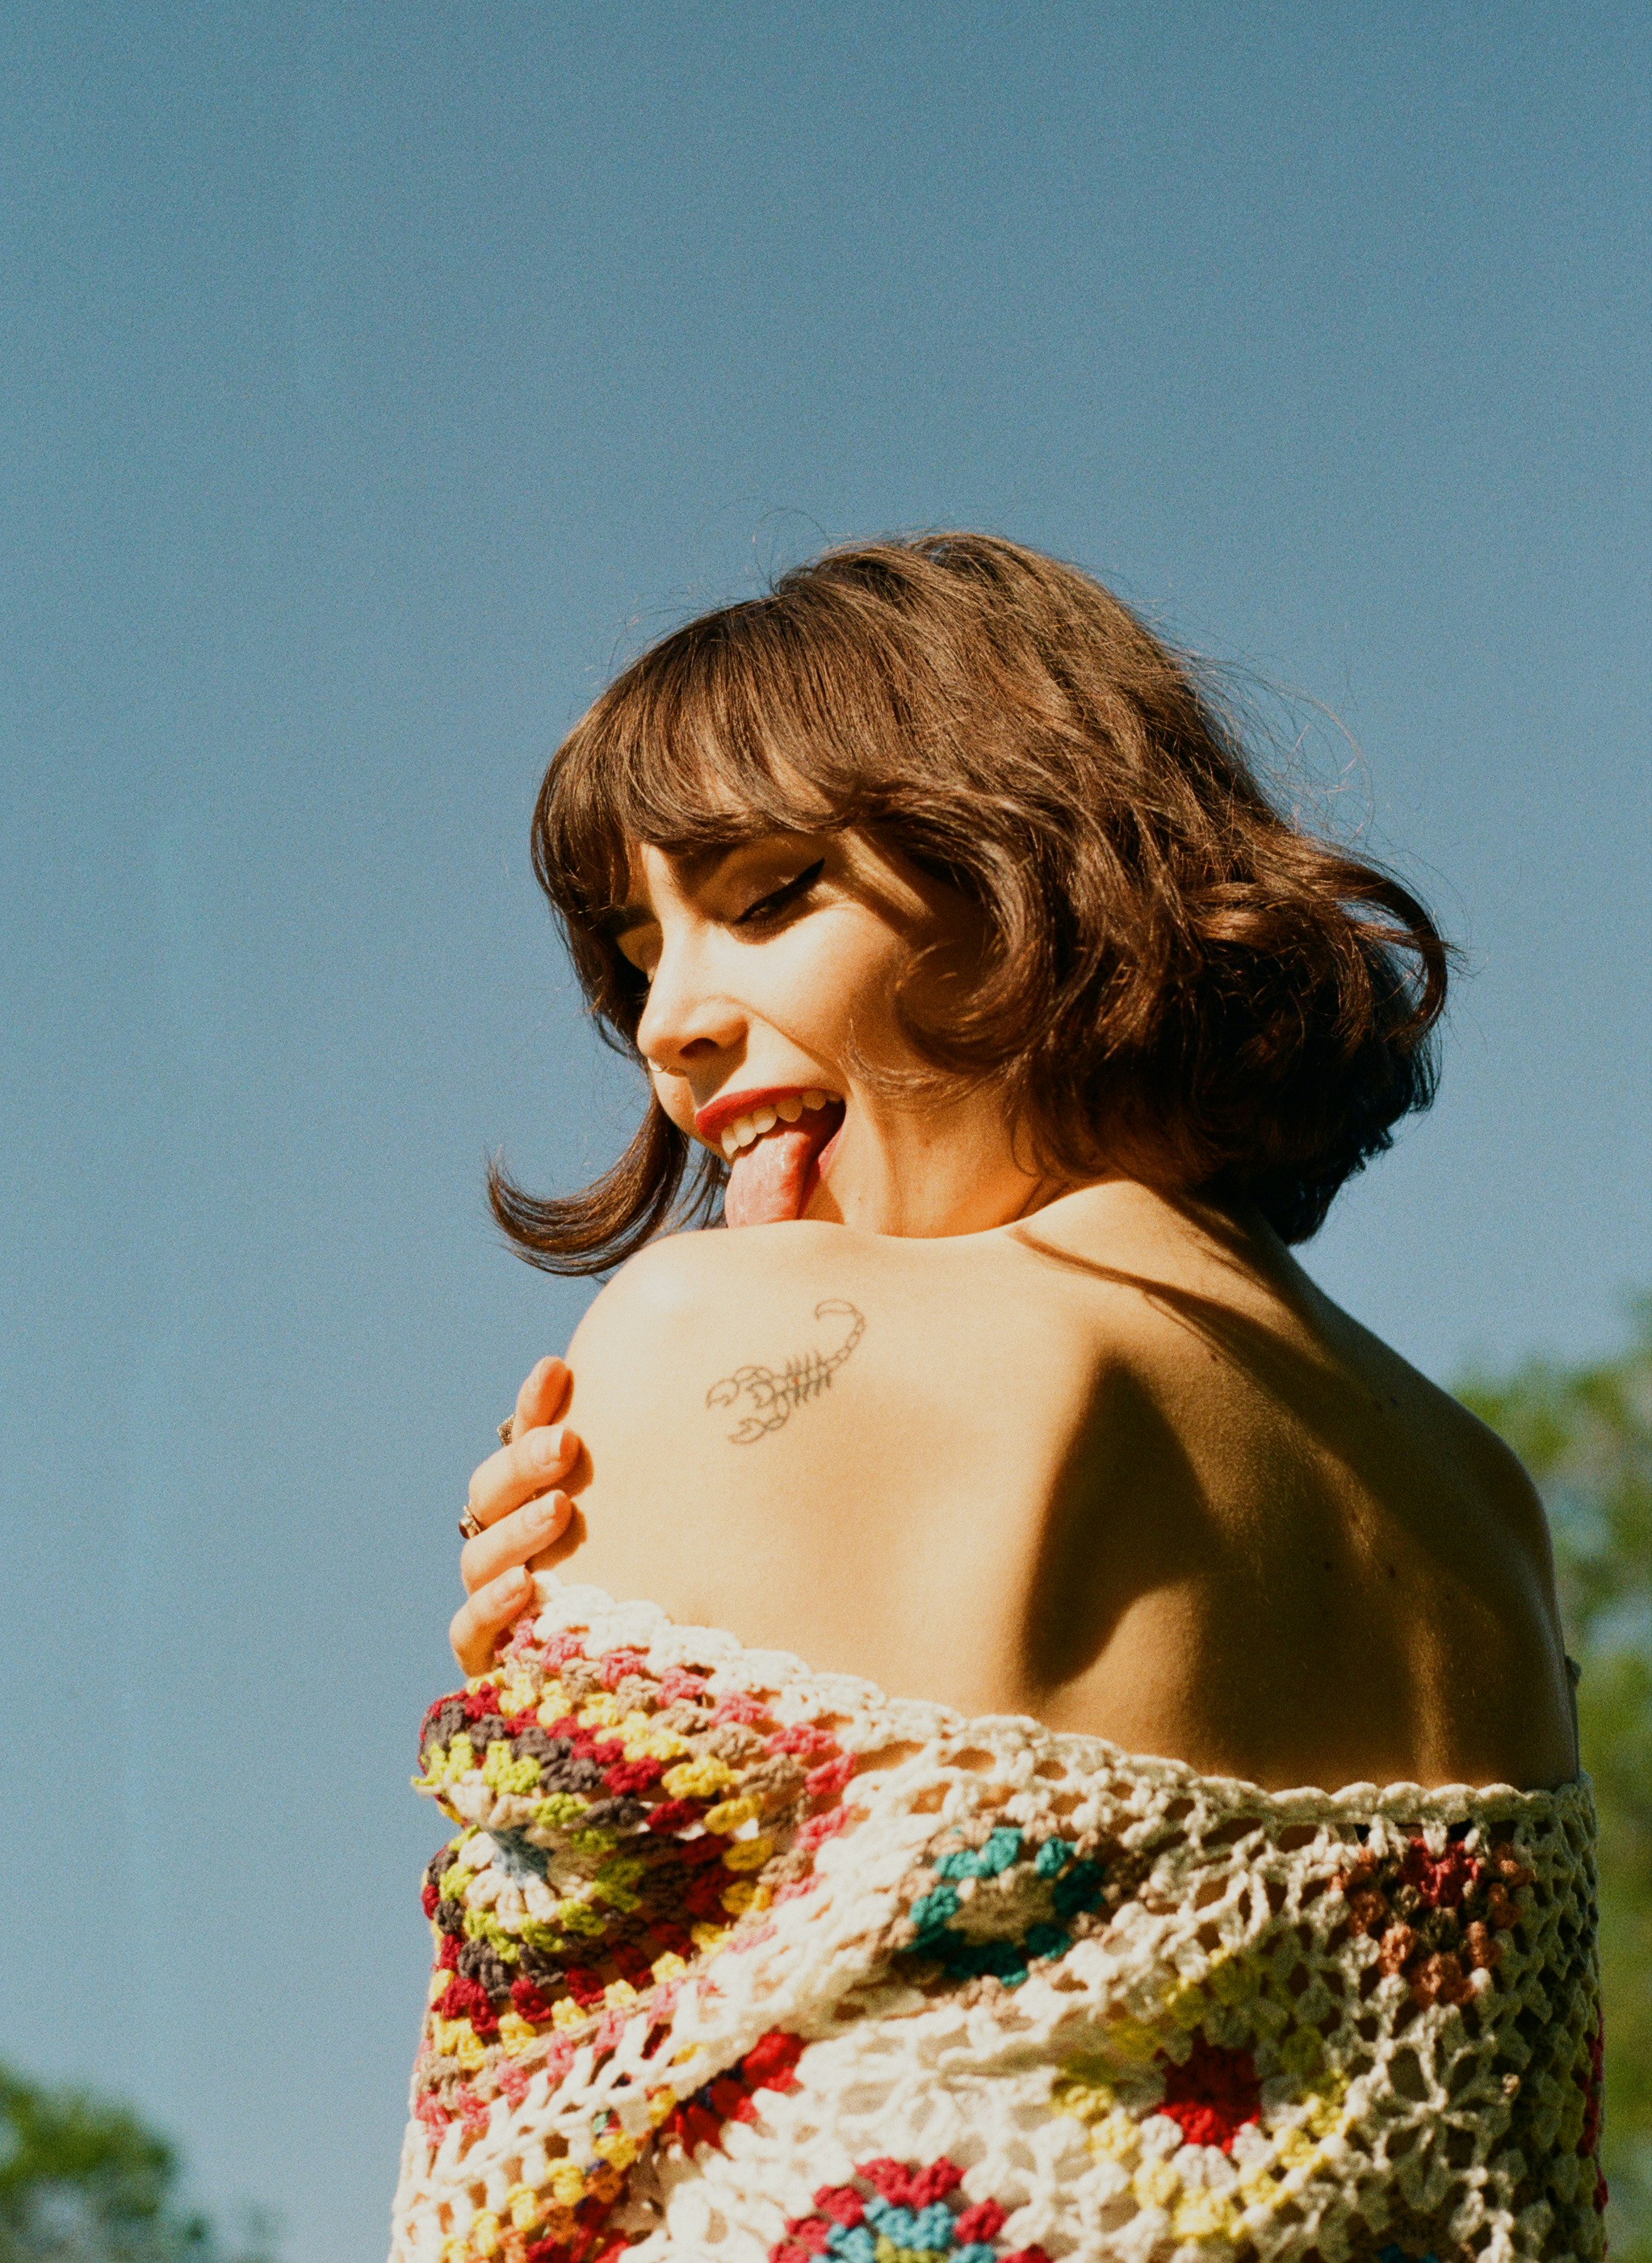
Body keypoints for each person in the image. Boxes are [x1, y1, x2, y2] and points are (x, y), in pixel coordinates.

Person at [392, 536, 1601, 2263]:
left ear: (1046, 866)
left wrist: (563, 1657)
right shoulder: (1483, 1509)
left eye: (768, 896)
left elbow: (522, 2183)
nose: (670, 1025)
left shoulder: (710, 1333)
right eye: (640, 950)